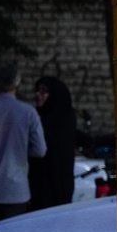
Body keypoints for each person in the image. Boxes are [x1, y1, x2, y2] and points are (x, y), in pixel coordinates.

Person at [0, 62, 46, 221]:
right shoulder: (28, 112)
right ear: (18, 83)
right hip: (16, 192)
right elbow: (40, 150)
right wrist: (20, 149)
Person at [27, 76, 77, 210]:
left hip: (56, 185)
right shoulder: (35, 118)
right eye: (37, 90)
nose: (38, 94)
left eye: (43, 91)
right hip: (37, 186)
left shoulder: (64, 120)